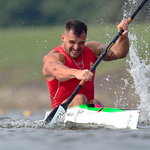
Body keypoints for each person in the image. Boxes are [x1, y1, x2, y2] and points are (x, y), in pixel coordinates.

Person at [42, 20, 129, 109]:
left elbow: (118, 53)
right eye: (72, 42)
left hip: (87, 108)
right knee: (80, 98)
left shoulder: (91, 49)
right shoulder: (54, 56)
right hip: (60, 112)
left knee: (95, 102)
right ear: (63, 37)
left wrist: (123, 37)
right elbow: (55, 69)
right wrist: (76, 73)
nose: (76, 47)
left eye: (81, 43)